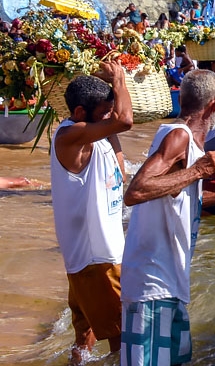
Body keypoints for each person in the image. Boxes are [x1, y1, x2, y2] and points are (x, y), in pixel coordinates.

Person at [120, 70, 215, 365]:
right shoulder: (178, 136)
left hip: (168, 283)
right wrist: (199, 171)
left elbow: (179, 200)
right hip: (152, 285)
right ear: (213, 106)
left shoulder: (186, 142)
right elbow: (136, 190)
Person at [51, 65, 133, 365]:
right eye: (104, 113)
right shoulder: (69, 136)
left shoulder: (97, 137)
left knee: (84, 337)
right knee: (122, 339)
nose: (110, 117)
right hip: (97, 260)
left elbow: (120, 175)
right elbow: (126, 120)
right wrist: (120, 80)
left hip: (88, 256)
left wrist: (110, 118)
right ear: (81, 112)